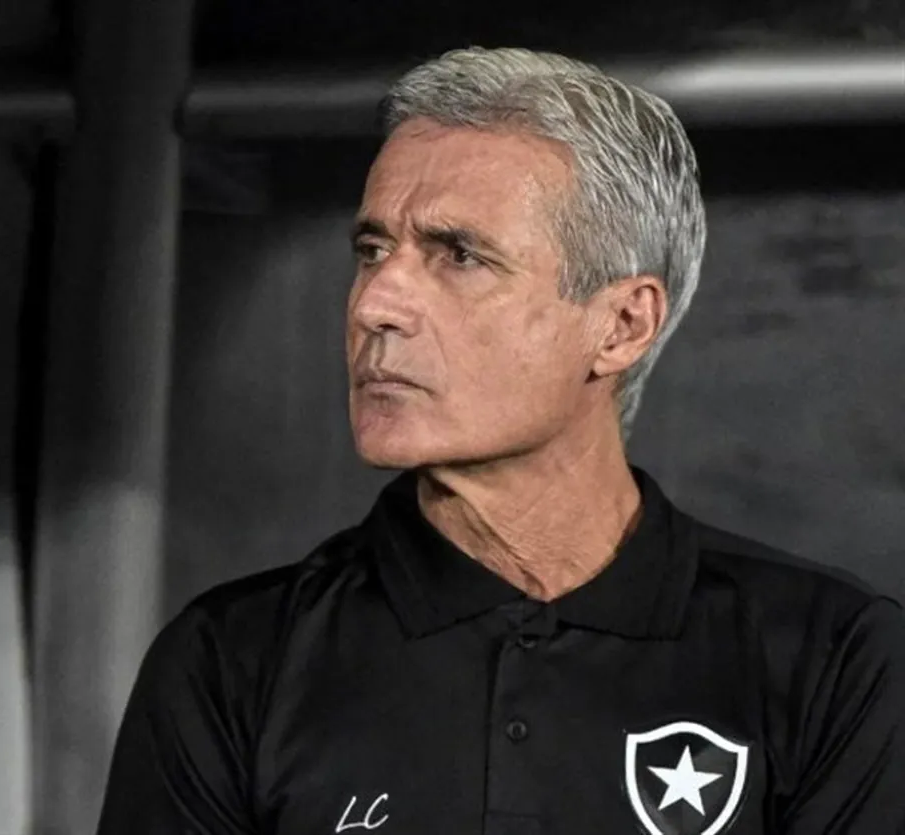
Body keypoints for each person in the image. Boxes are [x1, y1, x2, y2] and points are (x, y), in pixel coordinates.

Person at [97, 46, 904, 834]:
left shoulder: (834, 660)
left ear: (623, 325)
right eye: (372, 250)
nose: (375, 303)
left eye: (459, 255)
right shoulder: (230, 664)